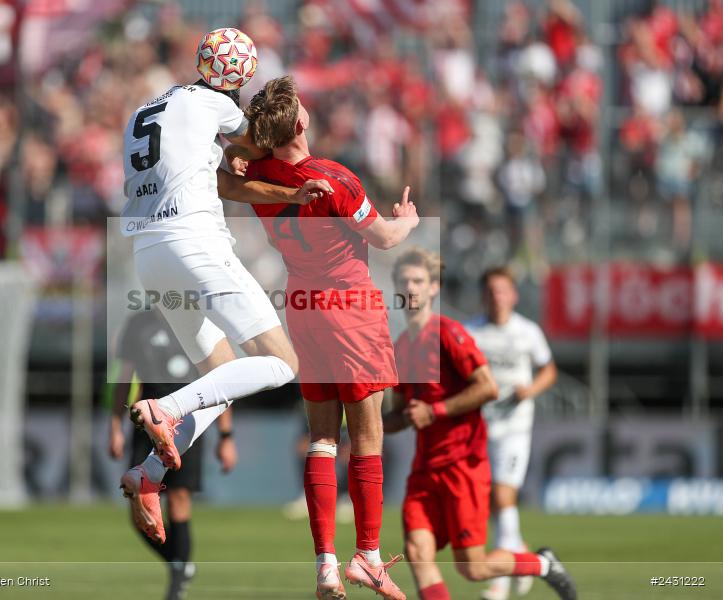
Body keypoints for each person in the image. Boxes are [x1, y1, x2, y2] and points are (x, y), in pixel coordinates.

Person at [118, 28, 333, 544]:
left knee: (222, 378)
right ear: (234, 82)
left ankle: (147, 474)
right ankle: (164, 409)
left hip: (149, 256)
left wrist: (242, 163)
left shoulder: (147, 112)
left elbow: (223, 170)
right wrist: (285, 136)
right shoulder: (213, 104)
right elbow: (267, 140)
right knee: (283, 362)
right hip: (195, 244)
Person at [238, 75, 418, 600]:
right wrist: (405, 220)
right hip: (349, 308)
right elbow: (383, 238)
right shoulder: (334, 178)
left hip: (301, 305)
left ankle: (325, 566)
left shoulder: (260, 175)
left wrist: (251, 145)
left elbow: (232, 167)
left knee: (321, 437)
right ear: (301, 122)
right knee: (366, 437)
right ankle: (366, 555)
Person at [383, 248, 576, 600]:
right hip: (425, 470)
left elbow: (487, 387)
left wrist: (435, 411)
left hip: (463, 466)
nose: (410, 288)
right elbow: (401, 414)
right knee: (416, 551)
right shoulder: (401, 347)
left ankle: (542, 564)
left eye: (418, 281)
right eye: (404, 282)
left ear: (434, 289)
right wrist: (370, 426)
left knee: (472, 568)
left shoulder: (449, 333)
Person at [109, 309, 238, 600]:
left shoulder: (198, 321)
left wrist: (226, 437)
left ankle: (177, 584)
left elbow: (222, 382)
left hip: (187, 424)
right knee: (137, 503)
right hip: (145, 422)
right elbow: (124, 377)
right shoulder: (138, 324)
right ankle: (180, 564)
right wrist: (115, 425)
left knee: (179, 500)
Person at [465, 267, 558, 600]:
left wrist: (530, 390)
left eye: (502, 290)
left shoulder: (528, 331)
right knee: (490, 500)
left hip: (515, 427)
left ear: (514, 295)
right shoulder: (470, 331)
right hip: (478, 427)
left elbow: (549, 369)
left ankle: (499, 581)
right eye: (490, 290)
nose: (497, 297)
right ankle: (521, 553)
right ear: (483, 295)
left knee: (504, 496)